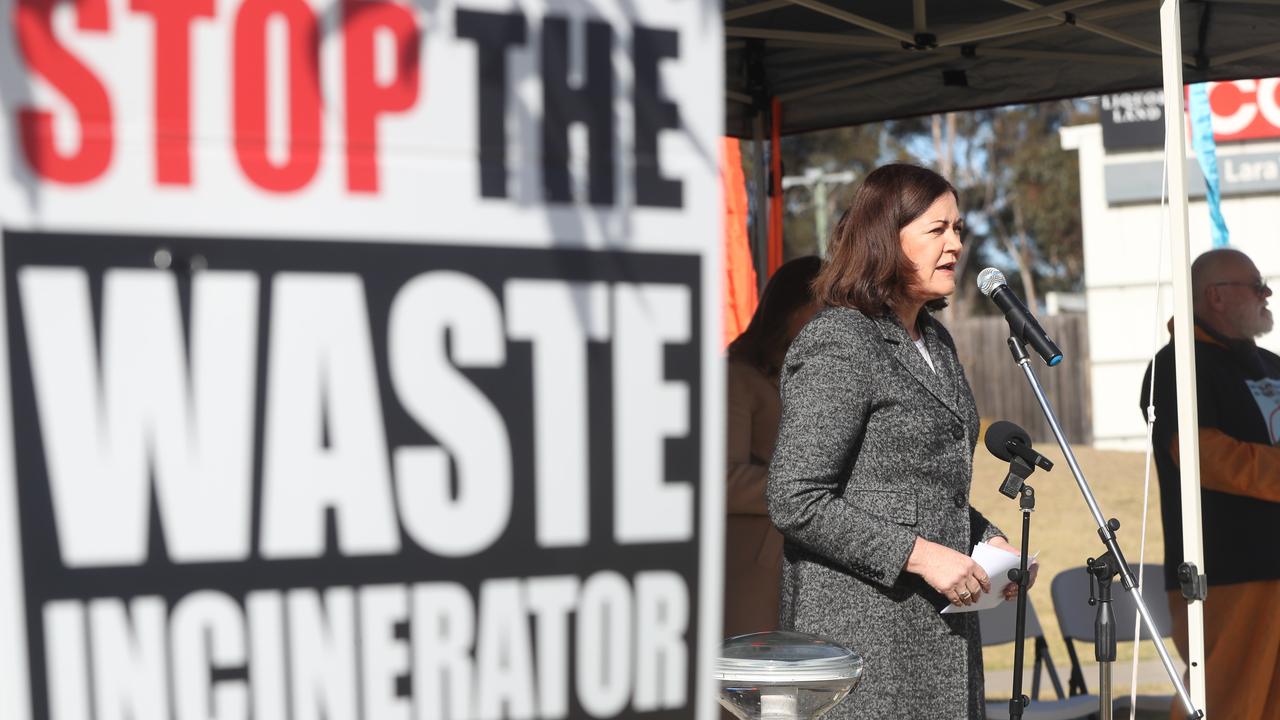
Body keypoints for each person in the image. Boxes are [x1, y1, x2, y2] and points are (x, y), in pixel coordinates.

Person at [766, 163, 1030, 719]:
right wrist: (920, 556)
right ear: (885, 239)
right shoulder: (841, 341)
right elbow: (795, 498)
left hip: (941, 635)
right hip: (863, 639)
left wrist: (989, 542)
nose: (955, 244)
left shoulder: (935, 339)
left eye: (958, 229)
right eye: (937, 230)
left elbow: (920, 487)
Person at [1139, 247, 1280, 720]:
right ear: (1216, 296)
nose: (1268, 294)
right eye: (1256, 285)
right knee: (1226, 700)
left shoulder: (1271, 365)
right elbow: (1203, 456)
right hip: (1225, 569)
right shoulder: (1176, 366)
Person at [724, 255, 822, 638]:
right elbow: (723, 480)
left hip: (806, 568)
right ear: (789, 310)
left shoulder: (812, 377)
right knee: (744, 692)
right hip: (752, 570)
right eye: (819, 311)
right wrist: (805, 493)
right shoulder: (736, 378)